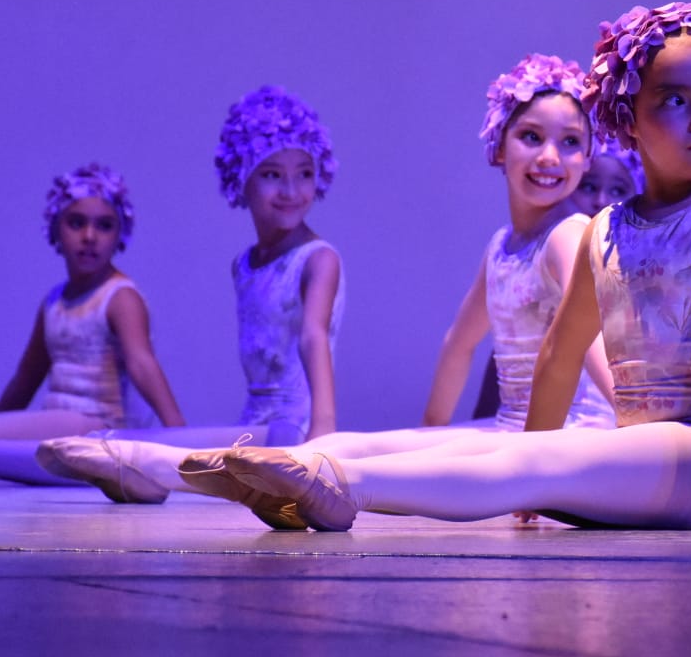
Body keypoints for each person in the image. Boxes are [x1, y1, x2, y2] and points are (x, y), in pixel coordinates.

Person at [214, 2, 691, 534]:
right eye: (677, 101)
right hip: (642, 459)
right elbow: (561, 350)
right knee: (510, 456)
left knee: (530, 462)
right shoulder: (606, 229)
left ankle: (337, 485)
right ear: (627, 119)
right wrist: (533, 460)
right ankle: (295, 468)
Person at [180, 55, 617, 528]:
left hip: (567, 434)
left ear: (587, 157)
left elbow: (589, 337)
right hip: (514, 427)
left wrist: (636, 438)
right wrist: (431, 429)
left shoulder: (567, 233)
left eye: (570, 143)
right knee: (369, 444)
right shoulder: (502, 246)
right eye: (531, 137)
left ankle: (313, 482)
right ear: (498, 146)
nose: (550, 157)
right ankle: (252, 468)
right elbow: (458, 343)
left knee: (426, 464)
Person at [33, 86, 344, 515]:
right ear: (241, 177)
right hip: (255, 424)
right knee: (124, 446)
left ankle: (139, 470)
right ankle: (135, 470)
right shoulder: (245, 264)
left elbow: (314, 336)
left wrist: (323, 433)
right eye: (272, 174)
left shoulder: (318, 259)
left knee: (128, 448)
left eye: (304, 173)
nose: (291, 189)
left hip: (294, 429)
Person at [0, 165, 185, 485]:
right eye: (76, 223)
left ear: (119, 235)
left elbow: (142, 364)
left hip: (97, 430)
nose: (89, 237)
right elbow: (25, 379)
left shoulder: (120, 297)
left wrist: (180, 437)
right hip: (58, 425)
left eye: (104, 226)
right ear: (56, 229)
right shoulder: (54, 301)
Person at [472, 135, 645, 420]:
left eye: (618, 190)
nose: (601, 200)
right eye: (589, 186)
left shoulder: (646, 272)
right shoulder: (556, 246)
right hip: (547, 419)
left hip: (598, 422)